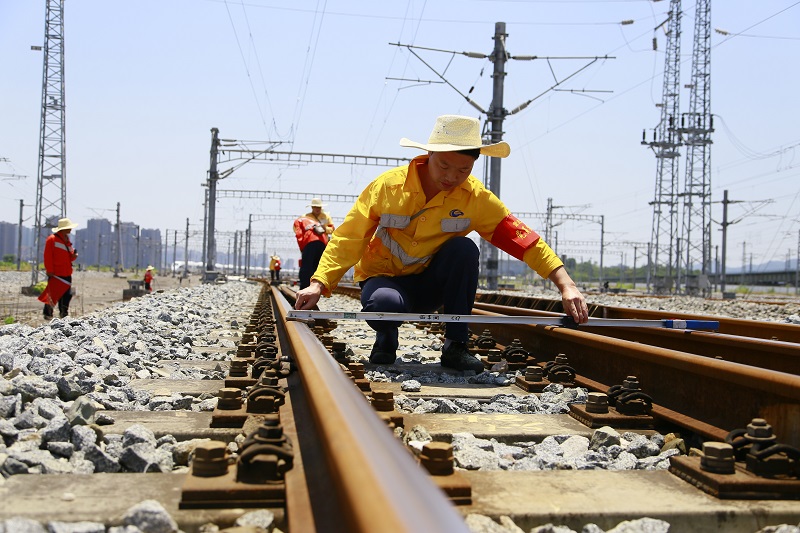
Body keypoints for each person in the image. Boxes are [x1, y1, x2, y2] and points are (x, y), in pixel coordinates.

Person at [295, 114, 589, 371]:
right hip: (386, 282)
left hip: (431, 287)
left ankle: (455, 347)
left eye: (463, 170)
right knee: (384, 306)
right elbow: (350, 236)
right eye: (445, 166)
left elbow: (521, 238)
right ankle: (386, 336)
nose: (452, 177)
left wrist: (566, 284)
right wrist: (319, 283)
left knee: (464, 249)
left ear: (474, 164)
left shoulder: (475, 198)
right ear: (429, 155)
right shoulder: (388, 188)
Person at [38, 217, 79, 319]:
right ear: (63, 229)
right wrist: (50, 270)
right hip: (56, 273)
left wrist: (73, 256)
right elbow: (47, 256)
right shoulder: (52, 239)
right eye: (69, 227)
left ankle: (64, 314)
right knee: (52, 295)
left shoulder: (67, 240)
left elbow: (69, 257)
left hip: (67, 272)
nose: (70, 229)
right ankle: (48, 314)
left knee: (67, 295)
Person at [293, 198, 335, 289]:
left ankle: (315, 287)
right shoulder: (305, 216)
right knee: (307, 265)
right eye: (316, 207)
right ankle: (305, 286)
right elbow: (297, 228)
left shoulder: (326, 217)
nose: (317, 209)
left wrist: (324, 229)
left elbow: (332, 229)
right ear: (312, 207)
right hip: (310, 243)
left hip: (322, 243)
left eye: (319, 207)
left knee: (318, 266)